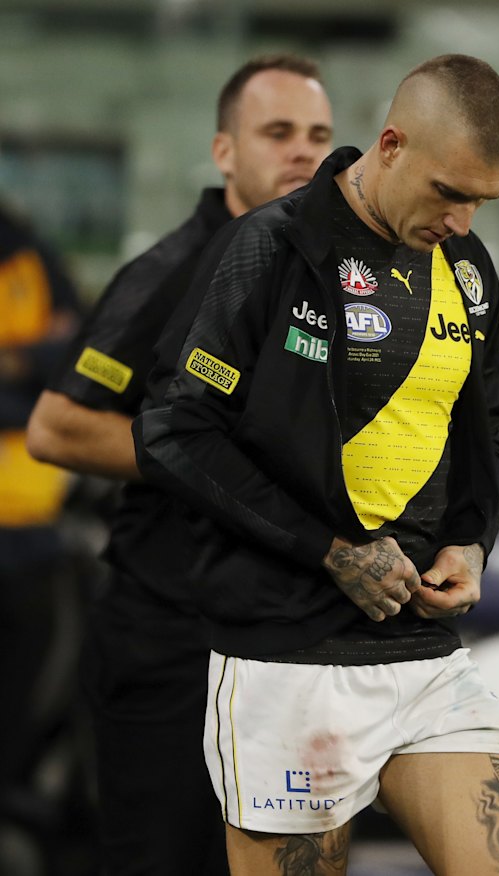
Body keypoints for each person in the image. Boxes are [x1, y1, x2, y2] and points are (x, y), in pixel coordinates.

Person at [127, 54, 499, 875]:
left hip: (422, 654)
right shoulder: (272, 248)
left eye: (481, 202)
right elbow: (175, 430)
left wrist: (471, 542)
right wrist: (331, 549)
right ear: (389, 144)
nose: (462, 220)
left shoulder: (465, 267)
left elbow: (485, 426)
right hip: (285, 653)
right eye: (449, 192)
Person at [26, 54, 334, 876]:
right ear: (224, 153)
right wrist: (202, 462)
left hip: (278, 643)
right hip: (167, 643)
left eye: (318, 136)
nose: (302, 153)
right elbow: (56, 429)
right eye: (277, 133)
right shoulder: (168, 272)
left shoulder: (329, 280)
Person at [0, 201, 82, 857]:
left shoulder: (31, 254)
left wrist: (20, 366)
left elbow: (72, 356)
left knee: (31, 674)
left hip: (31, 525)